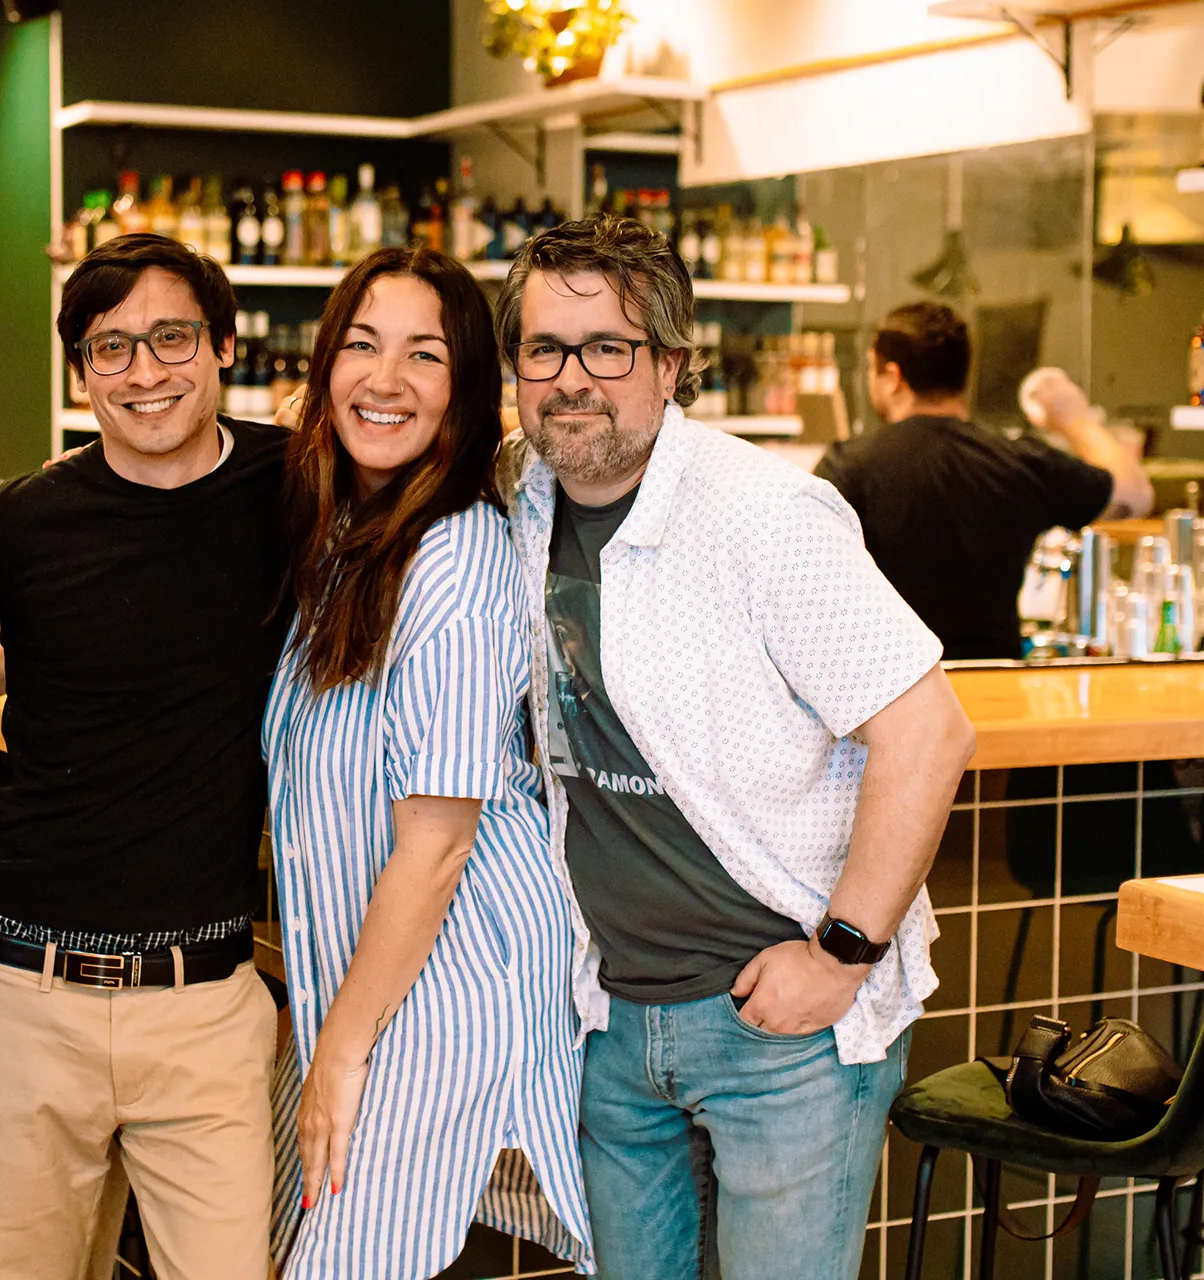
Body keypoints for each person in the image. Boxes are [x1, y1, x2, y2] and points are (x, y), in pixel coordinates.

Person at [492, 217, 978, 1280]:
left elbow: (929, 729)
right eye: (544, 349)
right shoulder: (520, 499)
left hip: (781, 1035)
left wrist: (842, 952)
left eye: (609, 347)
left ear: (671, 365)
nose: (573, 379)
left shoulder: (768, 516)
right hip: (611, 1020)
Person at [0, 232, 285, 1280]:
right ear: (81, 370)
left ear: (224, 344)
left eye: (172, 336)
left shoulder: (300, 488)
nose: (145, 371)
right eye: (111, 348)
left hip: (208, 999)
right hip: (21, 993)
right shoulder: (13, 525)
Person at [263, 245, 592, 1278]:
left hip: (450, 979)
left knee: (342, 1254)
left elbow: (440, 843)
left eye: (423, 355)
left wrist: (343, 1050)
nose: (384, 379)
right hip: (387, 979)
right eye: (360, 345)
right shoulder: (349, 538)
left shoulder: (451, 554)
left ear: (467, 390)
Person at [814, 302, 1152, 659]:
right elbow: (1136, 495)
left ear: (894, 377)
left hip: (892, 689)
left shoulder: (849, 465)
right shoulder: (1018, 460)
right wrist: (1074, 417)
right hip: (997, 681)